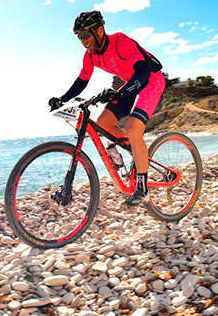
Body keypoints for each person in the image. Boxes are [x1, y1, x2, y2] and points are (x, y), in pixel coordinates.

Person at [48, 11, 166, 206]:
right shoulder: (91, 56)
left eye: (85, 35)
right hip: (131, 83)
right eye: (79, 37)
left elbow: (144, 71)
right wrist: (62, 99)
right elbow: (82, 80)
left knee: (133, 129)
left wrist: (122, 92)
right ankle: (134, 149)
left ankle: (143, 188)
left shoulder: (120, 41)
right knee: (103, 123)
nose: (83, 41)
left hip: (151, 81)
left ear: (100, 30)